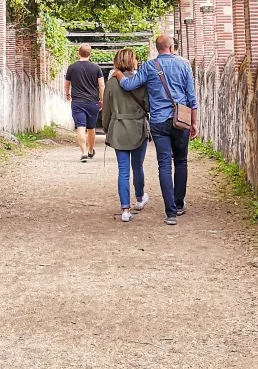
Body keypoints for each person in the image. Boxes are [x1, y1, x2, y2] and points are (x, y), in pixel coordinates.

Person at [115, 34, 198, 225]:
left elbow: (129, 85)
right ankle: (178, 204)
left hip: (159, 122)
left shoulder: (149, 66)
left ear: (158, 48)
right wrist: (194, 123)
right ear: (171, 47)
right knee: (181, 161)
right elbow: (192, 97)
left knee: (164, 165)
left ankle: (170, 213)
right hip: (181, 120)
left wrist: (118, 74)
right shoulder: (184, 64)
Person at [102, 48, 150, 223]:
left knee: (123, 170)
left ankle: (124, 210)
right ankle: (139, 198)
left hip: (118, 128)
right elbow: (148, 105)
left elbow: (106, 109)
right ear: (133, 62)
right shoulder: (141, 82)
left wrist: (107, 128)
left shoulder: (111, 83)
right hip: (138, 128)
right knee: (138, 167)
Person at [64, 43, 105, 162]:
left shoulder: (72, 67)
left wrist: (67, 94)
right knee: (91, 128)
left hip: (77, 102)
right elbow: (101, 85)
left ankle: (83, 153)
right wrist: (102, 100)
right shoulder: (96, 68)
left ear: (78, 53)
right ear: (90, 54)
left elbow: (67, 84)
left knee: (80, 127)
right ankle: (91, 150)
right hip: (92, 102)